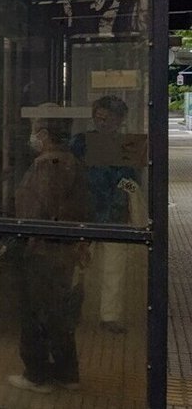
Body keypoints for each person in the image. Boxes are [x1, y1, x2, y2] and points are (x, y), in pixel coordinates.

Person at [8, 111, 89, 394]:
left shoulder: (49, 165)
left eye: (34, 130)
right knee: (58, 314)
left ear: (43, 134)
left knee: (37, 313)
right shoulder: (69, 161)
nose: (32, 136)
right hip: (60, 251)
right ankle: (67, 373)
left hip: (45, 251)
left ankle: (37, 375)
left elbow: (43, 209)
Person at [71, 95, 138, 334]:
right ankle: (74, 309)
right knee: (78, 266)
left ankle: (109, 316)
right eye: (99, 117)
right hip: (86, 212)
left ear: (119, 120)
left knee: (113, 269)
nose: (102, 123)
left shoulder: (125, 145)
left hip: (112, 213)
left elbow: (134, 182)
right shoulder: (80, 143)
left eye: (108, 119)